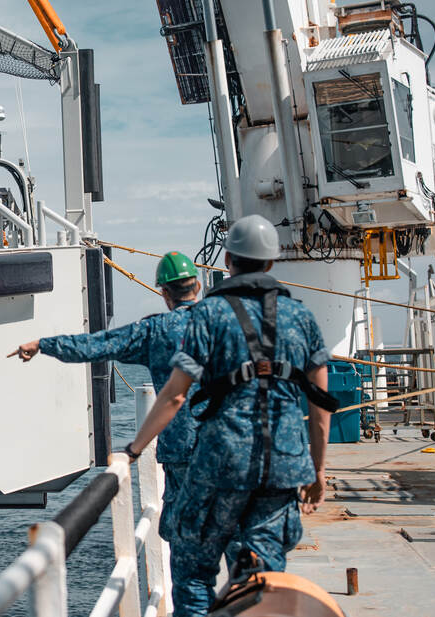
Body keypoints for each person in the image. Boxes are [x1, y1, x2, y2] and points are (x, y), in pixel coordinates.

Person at [122, 214, 335, 617]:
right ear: (270, 261)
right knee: (261, 573)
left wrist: (133, 450)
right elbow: (321, 405)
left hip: (219, 464)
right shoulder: (301, 318)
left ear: (227, 260)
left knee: (194, 572)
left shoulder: (209, 317)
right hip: (283, 465)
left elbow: (174, 395)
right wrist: (318, 470)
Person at [10, 250, 202, 523]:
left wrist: (44, 344)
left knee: (185, 532)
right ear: (198, 286)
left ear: (164, 293)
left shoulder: (157, 331)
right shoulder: (226, 321)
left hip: (183, 453)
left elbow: (98, 345)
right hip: (230, 445)